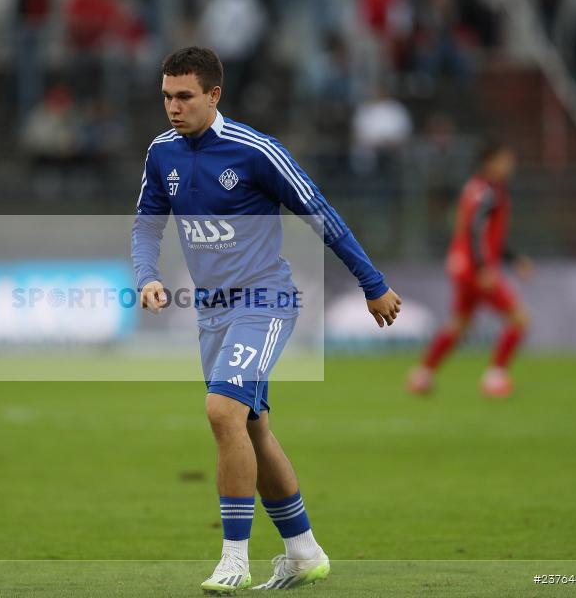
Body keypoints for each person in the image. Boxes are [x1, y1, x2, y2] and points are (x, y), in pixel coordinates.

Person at [131, 47, 401, 593]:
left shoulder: (256, 151)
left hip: (266, 300)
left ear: (214, 95)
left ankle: (235, 557)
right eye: (166, 96)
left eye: (184, 96)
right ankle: (303, 551)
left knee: (221, 410)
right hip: (211, 312)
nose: (173, 107)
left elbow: (319, 212)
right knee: (252, 427)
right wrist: (147, 275)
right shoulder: (162, 154)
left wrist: (372, 284)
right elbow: (146, 224)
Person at [407, 140, 532, 398]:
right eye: (505, 160)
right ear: (491, 161)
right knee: (519, 319)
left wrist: (513, 258)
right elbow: (476, 231)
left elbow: (482, 233)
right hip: (476, 268)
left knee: (460, 324)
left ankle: (422, 375)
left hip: (463, 265)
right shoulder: (489, 193)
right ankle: (495, 378)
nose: (510, 165)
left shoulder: (475, 188)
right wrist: (484, 267)